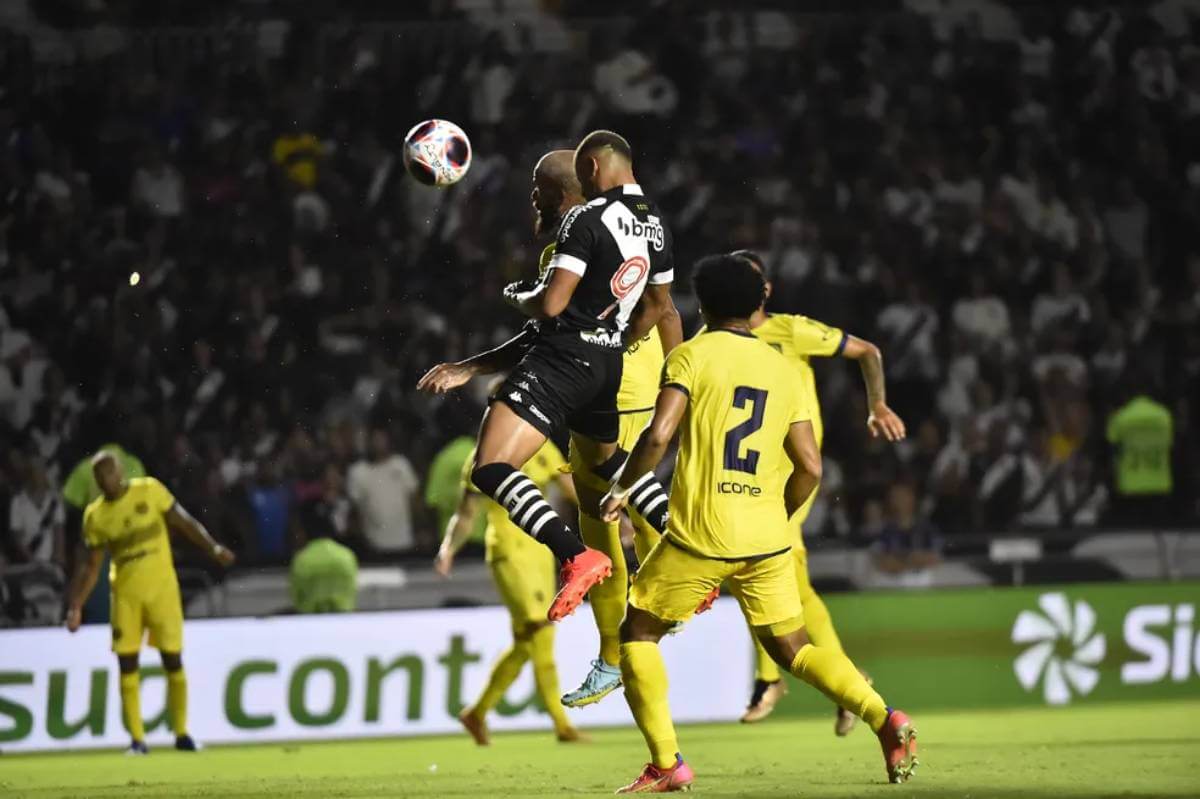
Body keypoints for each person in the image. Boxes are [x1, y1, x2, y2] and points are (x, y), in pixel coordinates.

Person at [599, 254, 917, 792]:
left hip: (700, 536)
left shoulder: (689, 355)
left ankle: (668, 763)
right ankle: (883, 717)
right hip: (767, 540)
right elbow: (811, 467)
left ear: (703, 306)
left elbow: (657, 436)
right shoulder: (782, 367)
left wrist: (622, 488)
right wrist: (777, 515)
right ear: (756, 305)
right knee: (796, 650)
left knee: (637, 633)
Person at [418, 132, 680, 621]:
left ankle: (575, 556)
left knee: (490, 468)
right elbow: (661, 308)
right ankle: (683, 542)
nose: (533, 198)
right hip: (610, 370)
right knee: (610, 465)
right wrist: (628, 348)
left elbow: (549, 312)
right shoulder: (651, 224)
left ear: (572, 187)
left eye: (539, 188)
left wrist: (516, 296)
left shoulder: (579, 229)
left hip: (567, 365)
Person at [724, 249, 906, 729]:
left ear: (766, 290)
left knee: (753, 565)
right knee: (786, 582)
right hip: (743, 475)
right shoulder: (714, 339)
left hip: (791, 477)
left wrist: (877, 405)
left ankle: (772, 678)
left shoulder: (790, 330)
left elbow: (867, 351)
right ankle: (848, 683)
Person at [64, 451, 236, 754]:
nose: (106, 480)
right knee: (127, 662)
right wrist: (76, 605)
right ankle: (137, 740)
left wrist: (213, 548)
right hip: (126, 597)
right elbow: (91, 567)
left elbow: (184, 522)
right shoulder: (95, 516)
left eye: (110, 472)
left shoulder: (150, 490)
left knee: (172, 658)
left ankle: (182, 734)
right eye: (100, 476)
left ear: (120, 471)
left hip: (162, 591)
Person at [435, 418, 585, 745]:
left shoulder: (542, 446)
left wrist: (615, 516)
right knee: (539, 629)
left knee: (528, 641)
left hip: (540, 553)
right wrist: (448, 549)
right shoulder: (482, 456)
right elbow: (466, 513)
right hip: (507, 551)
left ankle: (477, 713)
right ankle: (561, 725)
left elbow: (573, 490)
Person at [346, 427, 421, 554]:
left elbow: (414, 499)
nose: (378, 443)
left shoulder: (401, 464)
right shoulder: (357, 471)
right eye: (374, 439)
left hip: (404, 540)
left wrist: (419, 529)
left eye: (381, 438)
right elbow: (354, 510)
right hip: (374, 544)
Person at [290, 524, 358, 614]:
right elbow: (352, 588)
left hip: (310, 615)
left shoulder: (302, 558)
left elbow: (297, 593)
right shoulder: (347, 555)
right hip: (342, 614)